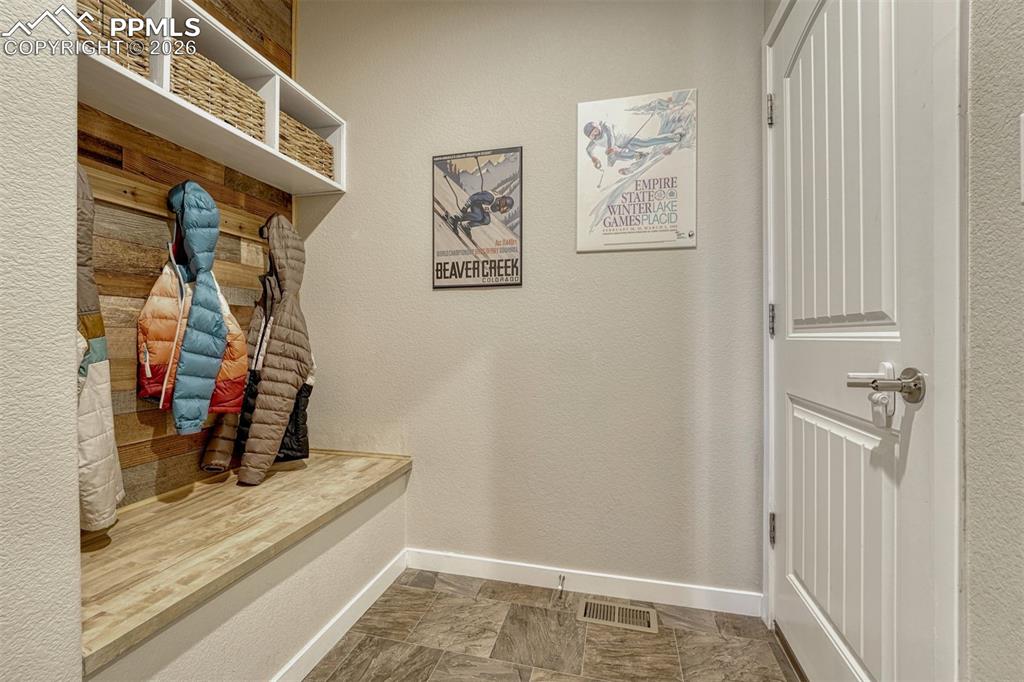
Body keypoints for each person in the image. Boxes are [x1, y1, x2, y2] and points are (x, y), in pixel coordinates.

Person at [584, 120, 683, 174]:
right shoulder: (594, 141)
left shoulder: (605, 126)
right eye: (593, 135)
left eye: (596, 131)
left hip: (628, 140)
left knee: (646, 142)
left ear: (598, 128)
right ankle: (637, 155)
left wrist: (611, 149)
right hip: (620, 148)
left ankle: (673, 138)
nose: (596, 135)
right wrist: (594, 158)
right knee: (617, 155)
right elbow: (588, 150)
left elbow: (611, 137)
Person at [447, 190, 514, 238]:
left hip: (482, 206)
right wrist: (465, 208)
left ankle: (467, 226)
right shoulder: (490, 198)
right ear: (503, 203)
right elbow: (473, 198)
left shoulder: (498, 205)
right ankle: (454, 219)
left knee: (486, 220)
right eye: (505, 208)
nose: (504, 210)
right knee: (478, 216)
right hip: (476, 202)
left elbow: (487, 207)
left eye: (506, 210)